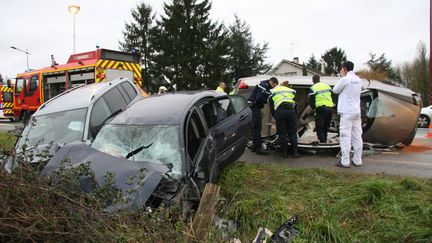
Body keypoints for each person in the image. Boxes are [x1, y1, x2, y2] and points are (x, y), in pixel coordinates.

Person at [333, 61, 363, 168]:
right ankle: (357, 160)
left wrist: (341, 77)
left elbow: (335, 90)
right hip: (356, 111)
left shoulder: (345, 79)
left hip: (346, 112)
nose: (341, 71)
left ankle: (345, 161)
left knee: (345, 136)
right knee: (357, 136)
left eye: (341, 70)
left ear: (345, 69)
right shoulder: (359, 80)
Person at [248, 77, 279, 155]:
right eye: (274, 85)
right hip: (254, 107)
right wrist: (266, 100)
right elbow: (259, 98)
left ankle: (255, 147)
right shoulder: (263, 85)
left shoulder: (266, 87)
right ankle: (258, 148)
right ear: (271, 82)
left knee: (256, 128)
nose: (273, 87)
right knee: (258, 127)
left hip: (255, 108)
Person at [269, 80, 300, 158]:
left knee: (282, 133)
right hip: (291, 111)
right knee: (292, 133)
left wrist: (275, 115)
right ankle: (295, 153)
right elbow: (295, 102)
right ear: (288, 85)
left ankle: (284, 153)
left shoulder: (274, 91)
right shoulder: (292, 91)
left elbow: (271, 105)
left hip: (280, 112)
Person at [308, 75, 334, 143]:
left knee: (319, 126)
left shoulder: (313, 88)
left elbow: (311, 100)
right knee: (326, 125)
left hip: (321, 109)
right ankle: (324, 140)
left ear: (313, 80)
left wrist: (313, 108)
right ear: (319, 79)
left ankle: (322, 141)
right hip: (329, 108)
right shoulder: (327, 86)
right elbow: (332, 95)